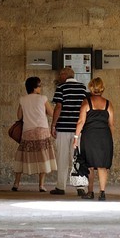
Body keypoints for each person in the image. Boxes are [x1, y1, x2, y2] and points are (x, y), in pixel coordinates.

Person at [11, 76, 57, 192]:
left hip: (28, 131)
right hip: (42, 130)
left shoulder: (23, 99)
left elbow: (19, 116)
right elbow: (51, 113)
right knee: (43, 157)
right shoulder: (43, 98)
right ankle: (41, 185)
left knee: (22, 157)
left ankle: (16, 183)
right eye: (39, 85)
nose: (40, 88)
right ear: (35, 87)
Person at [74, 76, 115, 199]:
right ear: (102, 88)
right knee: (103, 166)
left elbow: (81, 121)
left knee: (90, 165)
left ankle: (90, 192)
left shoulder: (86, 102)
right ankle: (102, 193)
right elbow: (111, 124)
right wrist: (109, 140)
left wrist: (76, 138)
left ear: (91, 88)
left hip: (89, 137)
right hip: (104, 137)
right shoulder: (108, 104)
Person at [49, 67, 88, 195]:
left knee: (62, 158)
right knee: (77, 157)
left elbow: (58, 107)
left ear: (65, 75)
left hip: (63, 129)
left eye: (61, 74)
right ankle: (80, 187)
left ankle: (61, 187)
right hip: (78, 129)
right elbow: (84, 107)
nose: (59, 76)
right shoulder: (82, 88)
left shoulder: (61, 88)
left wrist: (53, 125)